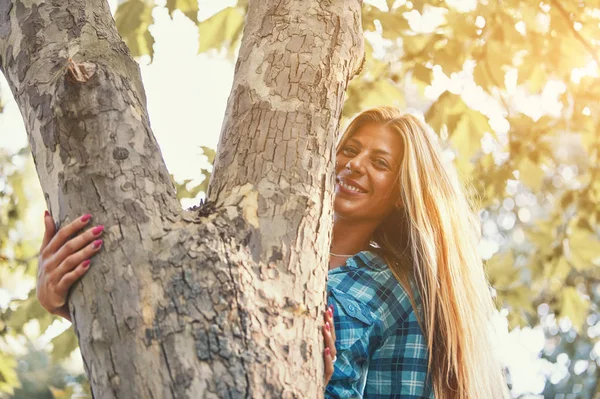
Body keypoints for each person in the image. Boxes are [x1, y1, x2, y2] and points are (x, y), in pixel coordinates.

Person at [36, 107, 509, 398]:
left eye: (380, 163)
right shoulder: (283, 262)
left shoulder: (381, 285)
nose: (353, 165)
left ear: (402, 194)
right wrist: (73, 299)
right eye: (350, 149)